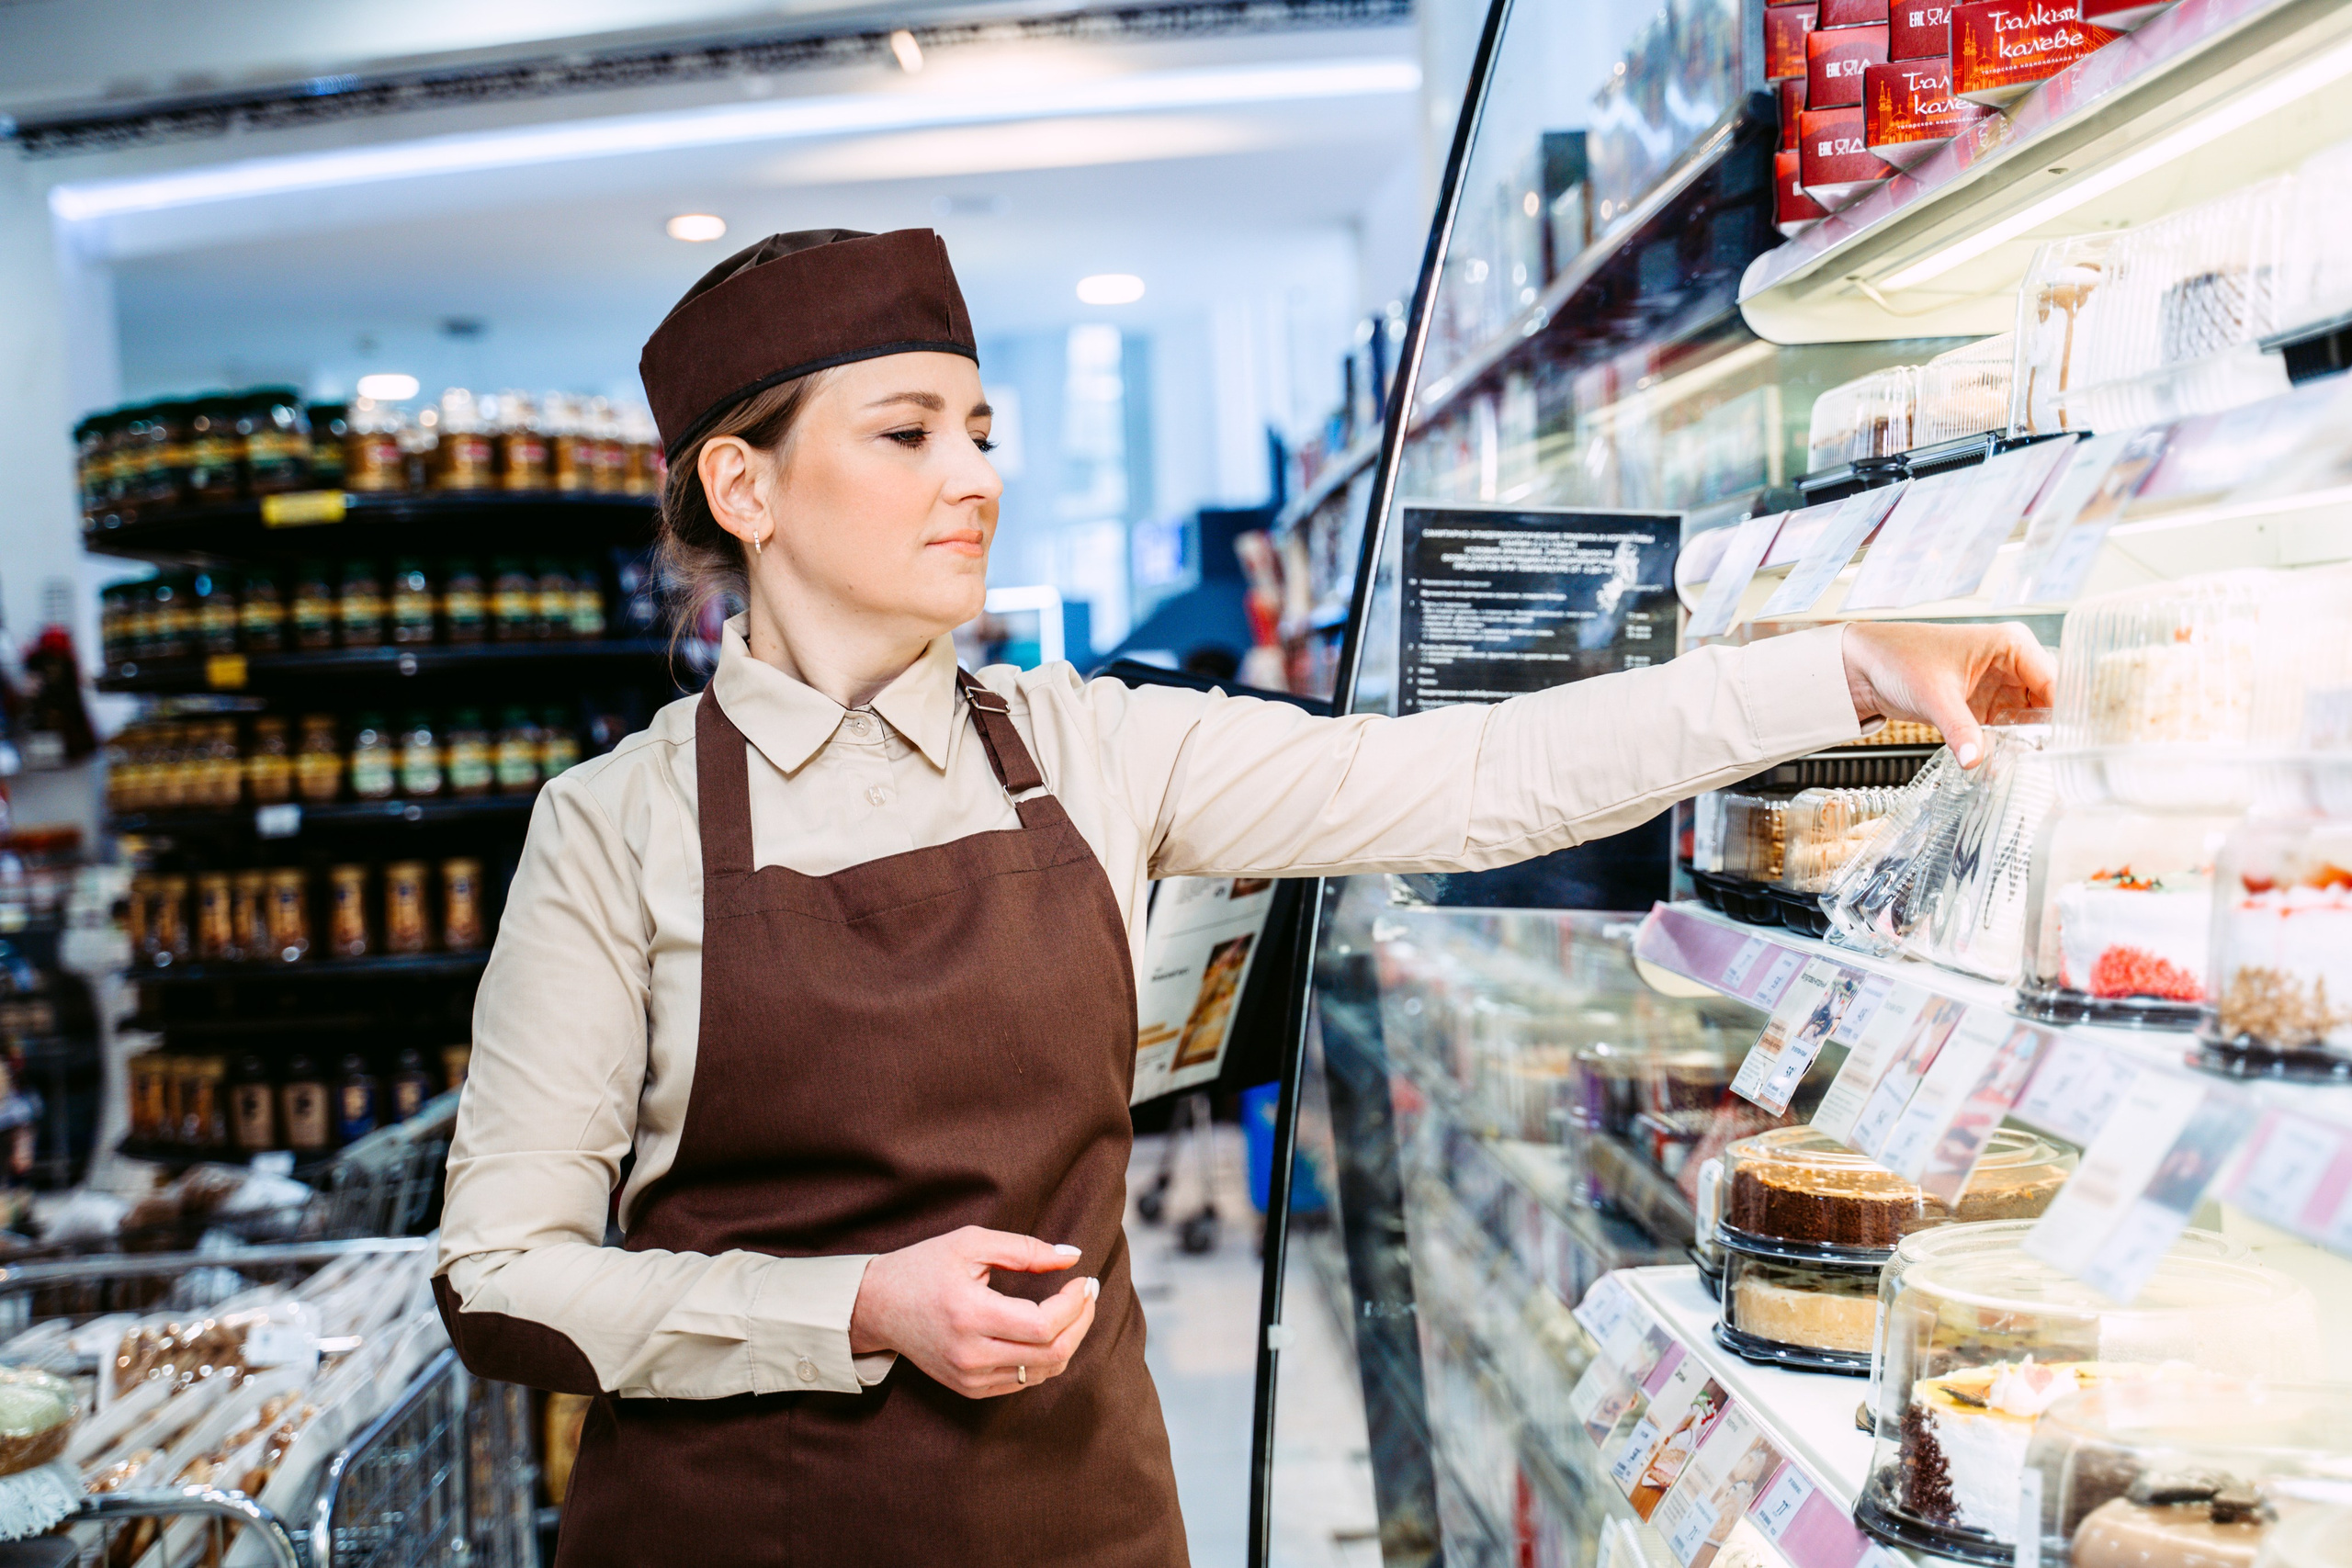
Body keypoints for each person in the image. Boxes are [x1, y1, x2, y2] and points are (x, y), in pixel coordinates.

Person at [432, 228, 2053, 1567]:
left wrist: (1838, 670)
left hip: (1072, 1512)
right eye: (908, 434)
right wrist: (854, 1307)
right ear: (745, 487)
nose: (974, 475)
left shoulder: (1088, 747)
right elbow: (498, 1276)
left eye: (982, 431)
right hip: (739, 1527)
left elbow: (1472, 779)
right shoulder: (615, 828)